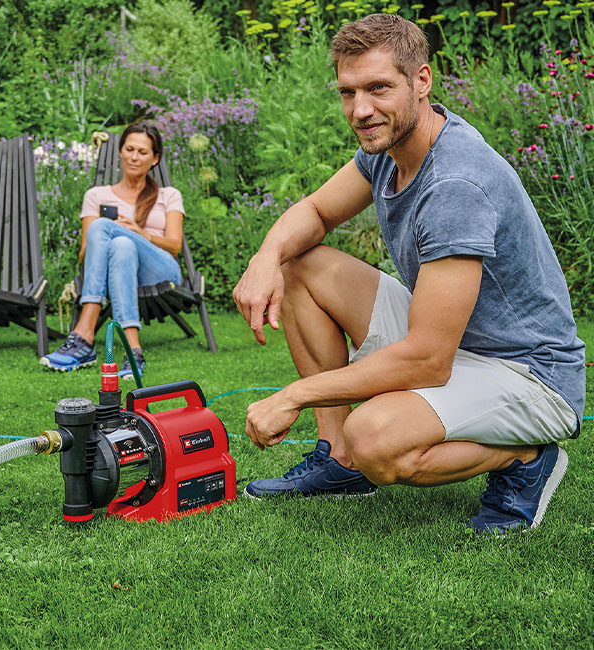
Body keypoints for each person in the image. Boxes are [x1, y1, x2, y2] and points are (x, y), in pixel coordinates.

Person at [232, 13, 585, 533]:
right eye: (348, 92)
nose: (361, 109)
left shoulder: (455, 185)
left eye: (378, 88)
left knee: (373, 437)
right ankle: (339, 460)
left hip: (529, 374)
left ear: (422, 81)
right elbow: (317, 213)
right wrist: (265, 258)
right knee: (300, 263)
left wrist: (293, 396)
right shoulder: (389, 148)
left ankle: (527, 459)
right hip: (457, 343)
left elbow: (426, 360)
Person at [41, 121, 185, 380]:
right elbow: (85, 253)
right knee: (120, 245)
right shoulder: (96, 195)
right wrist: (119, 237)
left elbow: (175, 246)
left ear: (155, 159)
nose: (134, 156)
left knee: (108, 229)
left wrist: (140, 233)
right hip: (119, 271)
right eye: (129, 149)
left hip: (161, 269)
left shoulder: (168, 195)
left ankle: (84, 334)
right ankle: (133, 350)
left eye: (143, 152)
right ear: (120, 152)